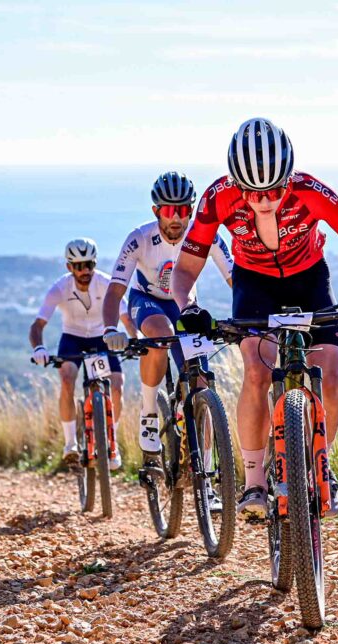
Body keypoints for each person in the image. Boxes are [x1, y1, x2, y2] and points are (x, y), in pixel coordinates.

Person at [170, 117, 338, 520]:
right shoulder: (216, 198)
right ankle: (255, 482)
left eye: (275, 190)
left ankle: (321, 466)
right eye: (252, 192)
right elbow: (186, 270)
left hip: (309, 280)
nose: (264, 200)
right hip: (254, 285)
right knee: (258, 372)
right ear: (236, 184)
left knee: (329, 377)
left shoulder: (312, 191)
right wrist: (188, 308)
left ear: (289, 177)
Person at [100, 172, 233, 477]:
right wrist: (110, 329)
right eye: (168, 210)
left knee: (201, 383)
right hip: (147, 301)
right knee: (160, 336)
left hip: (184, 305)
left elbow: (234, 277)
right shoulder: (139, 238)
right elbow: (114, 292)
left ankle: (206, 473)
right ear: (155, 211)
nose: (176, 217)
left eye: (184, 210)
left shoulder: (205, 235)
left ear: (191, 210)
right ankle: (149, 413)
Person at [29, 238, 135, 470]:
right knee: (67, 378)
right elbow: (37, 325)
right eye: (78, 265)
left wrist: (135, 339)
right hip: (73, 339)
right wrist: (39, 348)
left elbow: (126, 317)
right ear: (69, 267)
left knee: (117, 385)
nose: (85, 270)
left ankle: (111, 441)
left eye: (89, 264)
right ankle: (70, 444)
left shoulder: (106, 283)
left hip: (101, 337)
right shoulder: (60, 288)